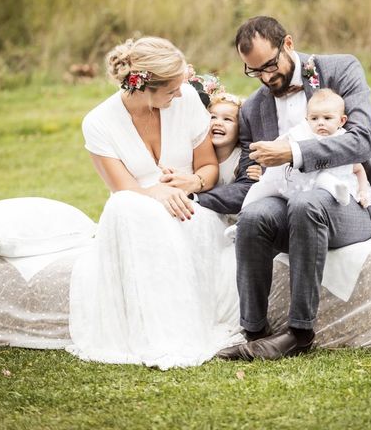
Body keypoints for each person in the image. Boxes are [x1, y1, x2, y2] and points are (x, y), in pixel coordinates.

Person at [198, 16, 371, 361]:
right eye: (254, 72)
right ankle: (254, 332)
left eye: (270, 65)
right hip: (287, 197)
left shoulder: (340, 70)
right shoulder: (254, 107)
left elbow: (362, 141)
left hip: (353, 201)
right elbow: (249, 180)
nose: (267, 77)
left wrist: (294, 152)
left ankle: (300, 332)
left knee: (306, 205)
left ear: (288, 44)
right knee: (254, 217)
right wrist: (198, 195)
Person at [66, 36, 242, 370]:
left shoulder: (187, 99)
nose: (181, 93)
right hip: (136, 216)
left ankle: (174, 329)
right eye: (172, 90)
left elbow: (208, 168)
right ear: (144, 87)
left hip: (190, 211)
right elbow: (123, 189)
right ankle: (153, 332)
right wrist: (157, 193)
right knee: (125, 208)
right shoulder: (98, 123)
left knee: (140, 209)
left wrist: (194, 181)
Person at [241, 88, 371, 209]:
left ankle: (340, 193)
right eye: (314, 118)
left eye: (327, 118)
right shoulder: (304, 132)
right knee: (259, 188)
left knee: (324, 178)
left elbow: (359, 169)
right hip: (298, 180)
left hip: (321, 182)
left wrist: (363, 190)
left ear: (341, 120)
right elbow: (283, 142)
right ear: (307, 119)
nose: (320, 123)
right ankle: (241, 219)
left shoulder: (342, 139)